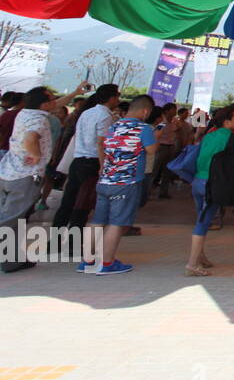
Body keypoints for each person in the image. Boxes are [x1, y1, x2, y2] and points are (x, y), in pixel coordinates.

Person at [82, 95, 158, 275]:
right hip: (126, 182)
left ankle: (87, 261)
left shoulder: (114, 125)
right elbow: (151, 150)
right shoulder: (144, 128)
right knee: (117, 223)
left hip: (106, 179)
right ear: (145, 111)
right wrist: (156, 136)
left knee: (97, 221)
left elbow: (103, 145)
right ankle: (107, 263)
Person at [0, 87, 56, 273]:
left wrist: (75, 92)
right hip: (25, 176)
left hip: (8, 172)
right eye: (52, 97)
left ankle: (12, 260)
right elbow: (30, 139)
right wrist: (36, 155)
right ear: (45, 103)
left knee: (14, 219)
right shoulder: (39, 119)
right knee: (9, 219)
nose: (56, 100)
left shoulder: (25, 113)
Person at [52, 84, 119, 233]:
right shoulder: (105, 116)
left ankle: (54, 241)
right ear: (112, 98)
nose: (118, 100)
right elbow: (101, 143)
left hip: (77, 161)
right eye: (117, 97)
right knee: (82, 205)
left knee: (67, 203)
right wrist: (103, 166)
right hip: (92, 163)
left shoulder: (86, 113)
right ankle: (73, 244)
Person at [187, 105, 234, 276]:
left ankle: (201, 256)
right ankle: (191, 264)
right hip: (213, 184)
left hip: (197, 181)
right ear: (227, 121)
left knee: (200, 218)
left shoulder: (209, 135)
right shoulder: (232, 138)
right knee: (203, 223)